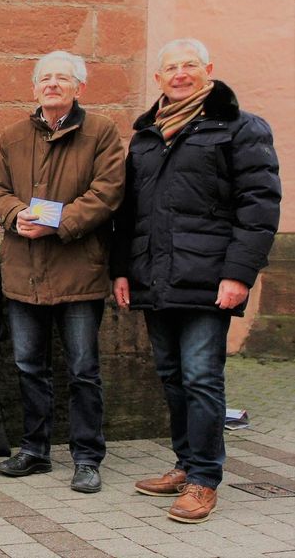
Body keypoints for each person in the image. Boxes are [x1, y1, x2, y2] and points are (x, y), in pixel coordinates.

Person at [112, 39, 280, 523]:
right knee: (171, 376)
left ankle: (205, 479)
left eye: (189, 65)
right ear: (158, 79)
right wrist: (121, 269)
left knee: (202, 377)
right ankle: (185, 464)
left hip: (210, 280)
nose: (180, 74)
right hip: (155, 276)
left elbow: (259, 205)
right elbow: (129, 212)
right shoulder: (146, 136)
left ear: (208, 69)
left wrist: (238, 274)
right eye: (171, 68)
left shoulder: (240, 127)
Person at [0, 51, 125, 493]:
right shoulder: (13, 135)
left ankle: (87, 457)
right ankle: (35, 450)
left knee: (83, 370)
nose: (53, 84)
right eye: (45, 78)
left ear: (79, 87)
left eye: (63, 78)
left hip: (78, 271)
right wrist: (15, 214)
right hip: (24, 272)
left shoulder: (101, 131)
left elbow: (107, 192)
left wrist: (58, 223)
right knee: (29, 366)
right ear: (34, 87)